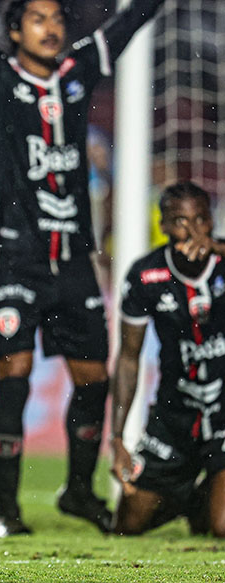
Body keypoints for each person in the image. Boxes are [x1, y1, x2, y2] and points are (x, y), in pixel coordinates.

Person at [0, 0, 165, 536]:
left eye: (59, 19)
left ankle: (79, 493)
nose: (52, 28)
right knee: (14, 381)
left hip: (75, 257)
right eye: (38, 19)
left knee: (93, 383)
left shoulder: (78, 70)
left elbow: (128, 23)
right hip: (15, 255)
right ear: (14, 30)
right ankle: (6, 512)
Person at [110, 182, 225, 537]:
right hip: (175, 414)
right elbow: (129, 359)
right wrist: (117, 437)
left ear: (211, 221)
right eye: (179, 221)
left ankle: (209, 500)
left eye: (200, 220)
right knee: (128, 522)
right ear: (162, 225)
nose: (191, 230)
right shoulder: (146, 275)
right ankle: (193, 499)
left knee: (222, 526)